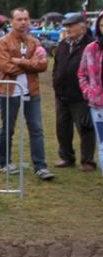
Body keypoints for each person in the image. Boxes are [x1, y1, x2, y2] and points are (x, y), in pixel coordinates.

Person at [0, 8, 55, 180]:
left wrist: (21, 61)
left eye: (26, 19)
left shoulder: (34, 42)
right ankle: (5, 163)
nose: (23, 22)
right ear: (11, 22)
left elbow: (43, 65)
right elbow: (5, 67)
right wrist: (31, 64)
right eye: (19, 19)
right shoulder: (3, 43)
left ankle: (40, 166)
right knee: (8, 128)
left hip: (32, 90)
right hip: (9, 91)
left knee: (36, 128)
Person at [51, 13, 96, 171]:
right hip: (61, 94)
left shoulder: (90, 46)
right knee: (62, 127)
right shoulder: (63, 44)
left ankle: (87, 160)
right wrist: (55, 82)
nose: (68, 29)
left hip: (81, 96)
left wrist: (89, 92)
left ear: (82, 27)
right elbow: (56, 66)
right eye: (67, 26)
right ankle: (66, 156)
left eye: (71, 25)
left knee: (85, 128)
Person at [77, 15, 103, 172]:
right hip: (97, 106)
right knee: (102, 145)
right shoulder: (91, 49)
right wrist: (89, 92)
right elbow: (82, 73)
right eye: (102, 25)